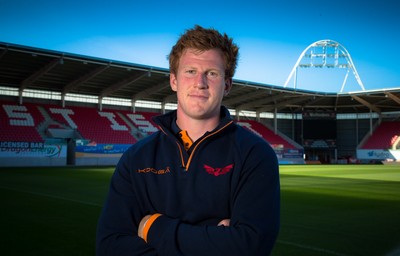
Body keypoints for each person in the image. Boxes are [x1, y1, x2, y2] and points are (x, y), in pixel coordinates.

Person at [96, 25, 280, 256]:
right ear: (174, 80)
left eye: (212, 73)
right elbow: (110, 246)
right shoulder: (136, 158)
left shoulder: (255, 154)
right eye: (190, 71)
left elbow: (250, 246)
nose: (200, 82)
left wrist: (154, 227)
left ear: (227, 84)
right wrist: (217, 241)